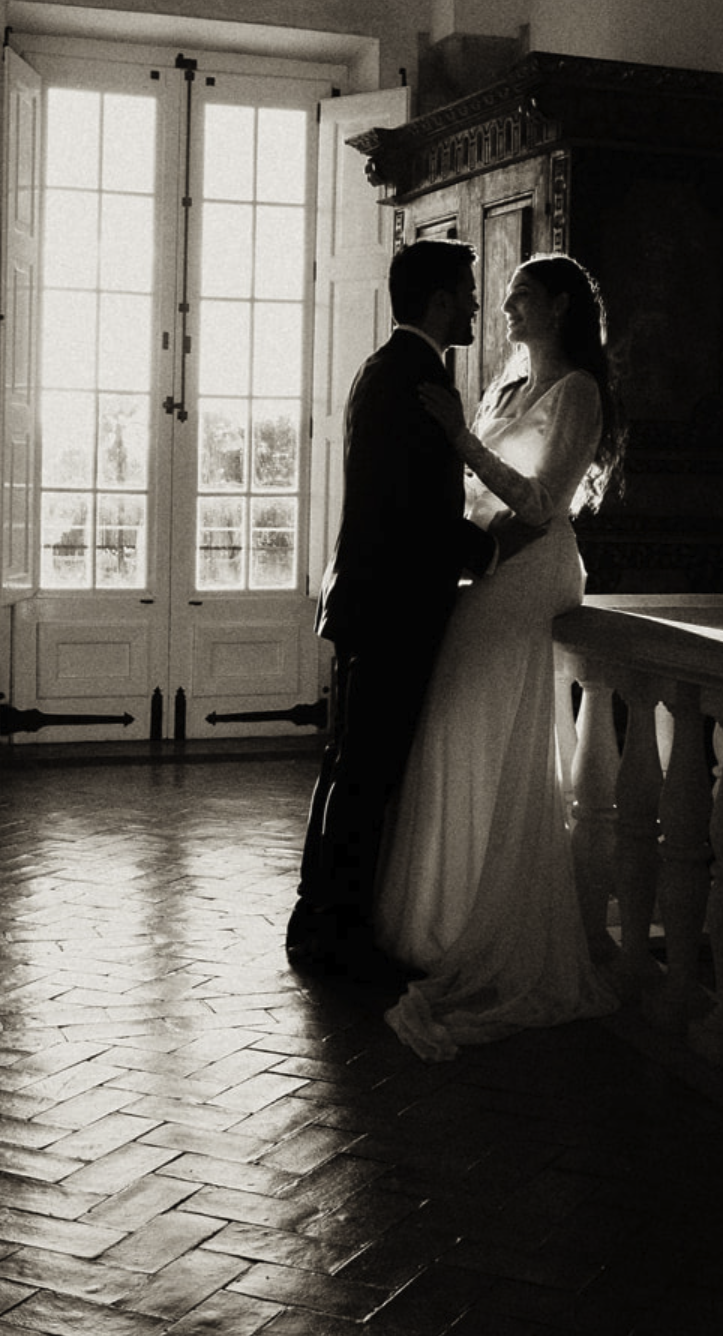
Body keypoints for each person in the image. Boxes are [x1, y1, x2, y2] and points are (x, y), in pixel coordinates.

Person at [375, 252, 627, 1061]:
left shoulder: (578, 392)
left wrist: (459, 441)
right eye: (505, 297)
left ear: (557, 306)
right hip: (483, 571)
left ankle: (500, 935)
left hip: (530, 574)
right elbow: (474, 492)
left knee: (495, 736)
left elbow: (545, 501)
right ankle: (441, 921)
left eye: (519, 297)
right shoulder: (505, 386)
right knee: (454, 734)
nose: (504, 310)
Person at [287, 238, 499, 984]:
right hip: (392, 606)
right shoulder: (417, 379)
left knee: (350, 765)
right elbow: (411, 507)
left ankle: (318, 920)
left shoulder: (386, 368)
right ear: (440, 300)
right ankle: (336, 937)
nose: (476, 305)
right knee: (366, 772)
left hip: (368, 598)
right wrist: (494, 554)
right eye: (468, 293)